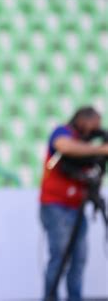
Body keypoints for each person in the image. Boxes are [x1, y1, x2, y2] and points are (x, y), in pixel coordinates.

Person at [40, 107, 108, 301]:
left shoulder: (85, 144)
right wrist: (101, 149)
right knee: (60, 256)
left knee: (79, 259)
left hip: (77, 207)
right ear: (82, 119)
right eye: (93, 124)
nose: (95, 130)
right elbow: (65, 147)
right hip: (55, 206)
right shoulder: (63, 132)